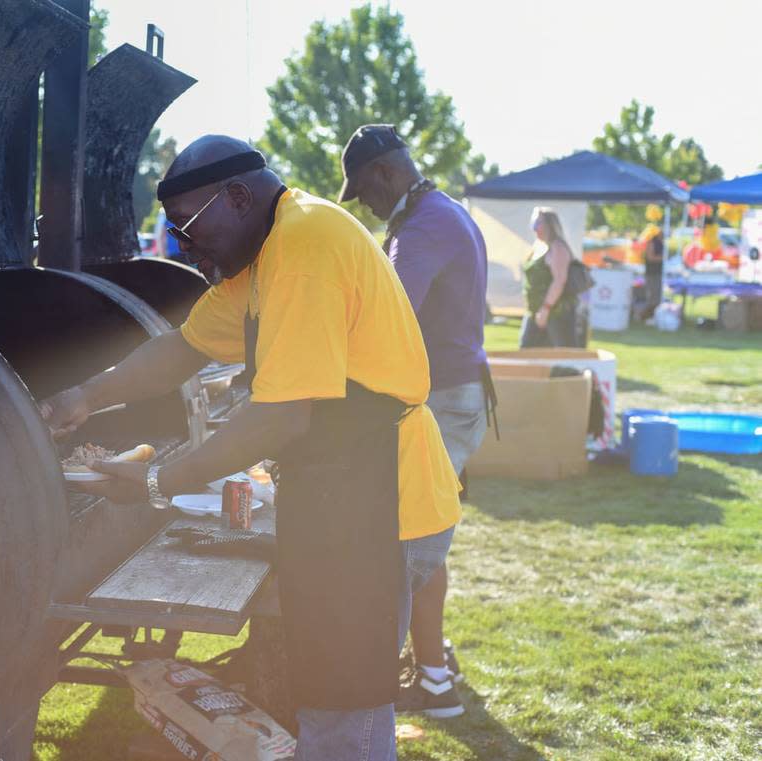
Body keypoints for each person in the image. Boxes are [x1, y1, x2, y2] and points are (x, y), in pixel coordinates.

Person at [41, 136, 461, 761]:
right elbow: (183, 349)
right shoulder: (267, 254)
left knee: (349, 705)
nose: (183, 244)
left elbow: (281, 417)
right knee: (324, 688)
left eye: (186, 225)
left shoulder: (305, 246)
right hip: (340, 496)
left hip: (382, 504)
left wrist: (159, 482)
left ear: (237, 197)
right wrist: (82, 398)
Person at [338, 124, 491, 719]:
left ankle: (432, 684)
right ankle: (433, 658)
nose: (367, 206)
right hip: (456, 393)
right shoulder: (442, 210)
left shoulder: (423, 225)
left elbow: (387, 316)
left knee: (411, 545)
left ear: (384, 173)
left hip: (443, 400)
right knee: (426, 540)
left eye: (365, 192)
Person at [520, 207, 576, 347]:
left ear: (549, 225)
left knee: (563, 354)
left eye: (538, 223)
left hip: (556, 312)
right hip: (535, 310)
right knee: (526, 351)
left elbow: (559, 281)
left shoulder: (558, 247)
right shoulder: (539, 247)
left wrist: (545, 309)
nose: (534, 227)